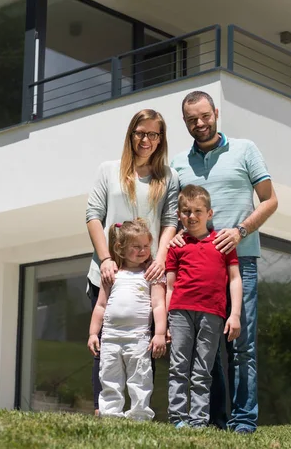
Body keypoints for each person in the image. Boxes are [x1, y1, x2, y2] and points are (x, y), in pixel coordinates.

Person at [170, 91, 278, 433]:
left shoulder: (245, 149)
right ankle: (213, 419)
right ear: (185, 123)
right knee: (207, 349)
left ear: (215, 113)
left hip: (239, 261)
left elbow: (271, 200)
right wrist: (172, 235)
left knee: (242, 344)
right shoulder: (178, 164)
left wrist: (241, 230)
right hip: (196, 268)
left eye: (204, 116)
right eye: (191, 120)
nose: (199, 123)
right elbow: (175, 214)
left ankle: (244, 420)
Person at [86, 109, 179, 416]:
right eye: (141, 132)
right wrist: (105, 259)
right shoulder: (108, 170)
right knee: (106, 348)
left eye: (154, 134)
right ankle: (105, 413)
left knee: (142, 350)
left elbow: (169, 222)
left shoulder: (168, 177)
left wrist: (162, 259)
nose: (146, 140)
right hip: (109, 275)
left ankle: (139, 413)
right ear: (131, 134)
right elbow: (93, 217)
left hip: (146, 279)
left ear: (161, 139)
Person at [165, 185, 242, 428]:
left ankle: (198, 421)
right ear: (179, 215)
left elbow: (235, 278)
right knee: (178, 366)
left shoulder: (222, 243)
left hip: (213, 314)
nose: (192, 216)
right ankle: (178, 418)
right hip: (180, 313)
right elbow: (169, 286)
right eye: (186, 211)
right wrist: (166, 322)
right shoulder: (176, 246)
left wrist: (235, 314)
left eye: (198, 210)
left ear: (210, 213)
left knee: (203, 370)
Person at [87, 219, 167, 420]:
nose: (142, 251)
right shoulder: (112, 274)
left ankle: (139, 415)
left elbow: (159, 305)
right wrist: (93, 333)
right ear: (120, 248)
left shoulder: (152, 275)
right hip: (111, 337)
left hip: (138, 338)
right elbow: (100, 305)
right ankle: (110, 415)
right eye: (136, 246)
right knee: (109, 377)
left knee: (140, 378)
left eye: (146, 246)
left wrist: (159, 333)